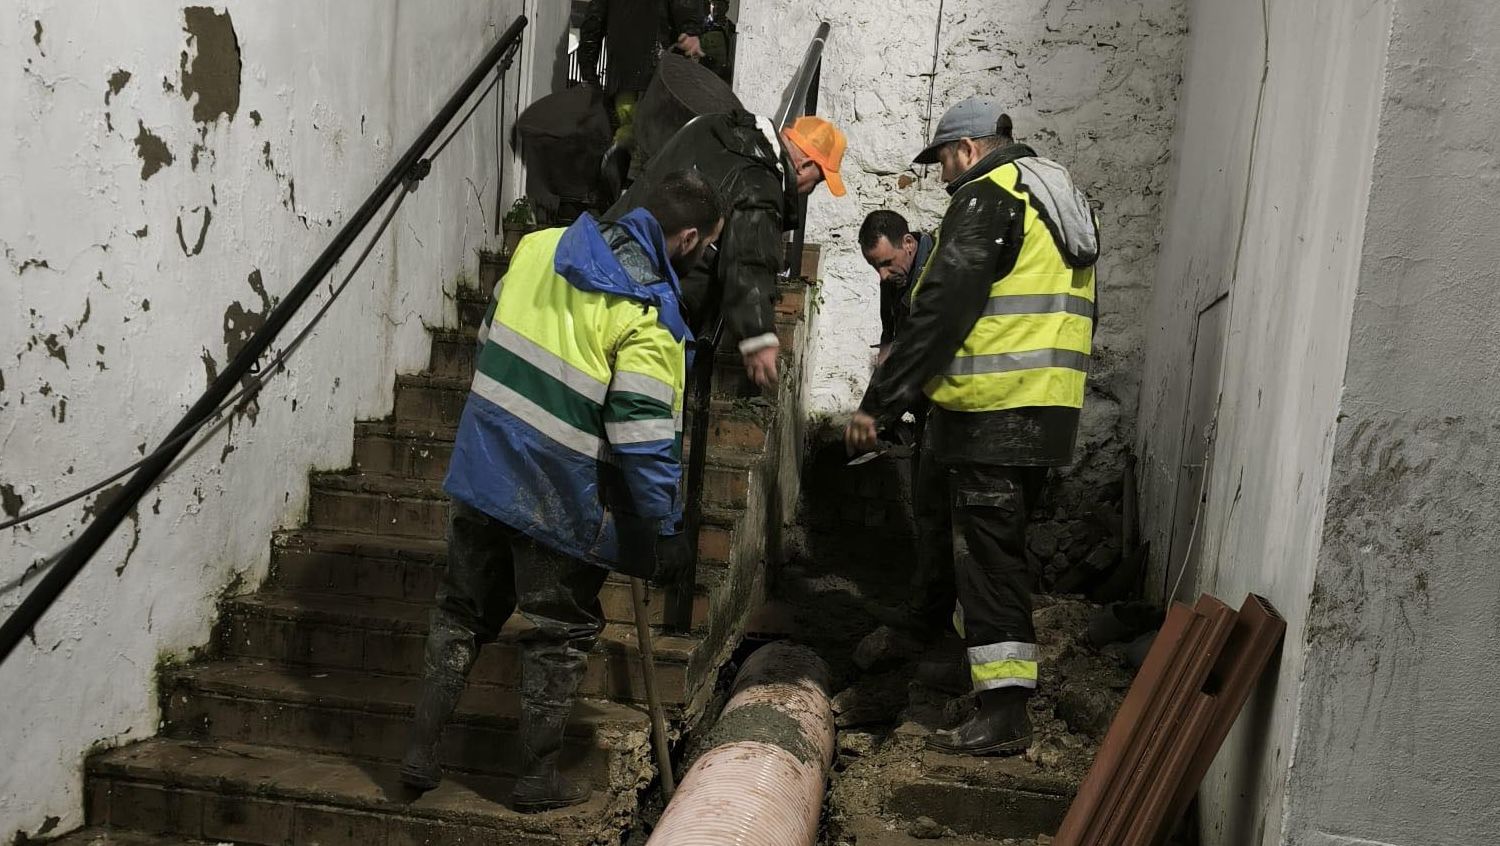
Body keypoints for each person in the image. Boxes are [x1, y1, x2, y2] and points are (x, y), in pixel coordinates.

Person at [399, 170, 724, 810]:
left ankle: (420, 751)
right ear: (685, 239)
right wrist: (663, 527)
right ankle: (535, 778)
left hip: (484, 468)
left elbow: (491, 337)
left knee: (461, 611)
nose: (706, 259)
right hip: (557, 494)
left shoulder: (538, 247)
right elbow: (642, 436)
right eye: (708, 246)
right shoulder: (647, 312)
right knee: (557, 632)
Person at [845, 98, 1099, 757]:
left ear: (965, 150)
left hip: (993, 411)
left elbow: (938, 315)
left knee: (988, 561)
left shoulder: (989, 196)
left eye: (941, 164)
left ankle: (1005, 714)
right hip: (1043, 410)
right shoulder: (1058, 191)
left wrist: (880, 404)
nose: (941, 178)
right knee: (988, 553)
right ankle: (975, 670)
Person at [610, 111, 848, 389]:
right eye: (817, 182)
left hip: (615, 255)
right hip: (653, 301)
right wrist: (758, 334)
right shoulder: (760, 181)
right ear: (805, 165)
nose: (808, 192)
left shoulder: (714, 127)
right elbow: (750, 258)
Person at [578, 0, 708, 147]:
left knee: (629, 134)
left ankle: (625, 158)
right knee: (658, 140)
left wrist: (589, 75)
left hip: (625, 78)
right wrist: (690, 30)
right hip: (661, 78)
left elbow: (592, 26)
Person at [858, 210, 934, 366]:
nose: (883, 275)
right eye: (875, 266)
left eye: (887, 263)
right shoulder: (892, 278)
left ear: (909, 243)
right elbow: (889, 332)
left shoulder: (941, 267)